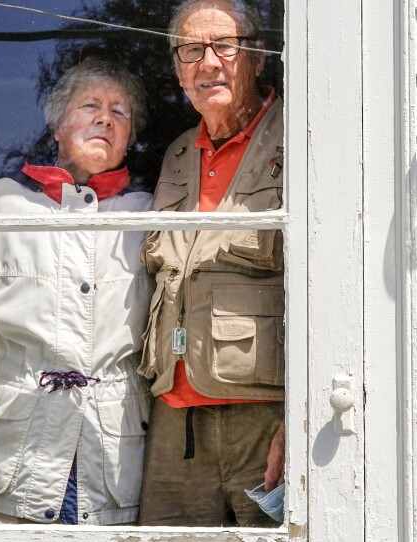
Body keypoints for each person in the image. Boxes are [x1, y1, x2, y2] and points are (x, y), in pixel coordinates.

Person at [0, 57, 153, 525]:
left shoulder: (151, 213)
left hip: (109, 461)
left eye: (120, 111)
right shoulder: (2, 202)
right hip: (0, 457)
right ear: (56, 125)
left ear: (130, 135)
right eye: (89, 105)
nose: (105, 118)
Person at [137, 0, 286, 527]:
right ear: (178, 69)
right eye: (192, 50)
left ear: (258, 57)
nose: (210, 62)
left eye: (225, 46)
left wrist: (298, 421)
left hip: (261, 415)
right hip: (175, 418)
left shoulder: (301, 139)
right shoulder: (178, 152)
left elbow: (331, 283)